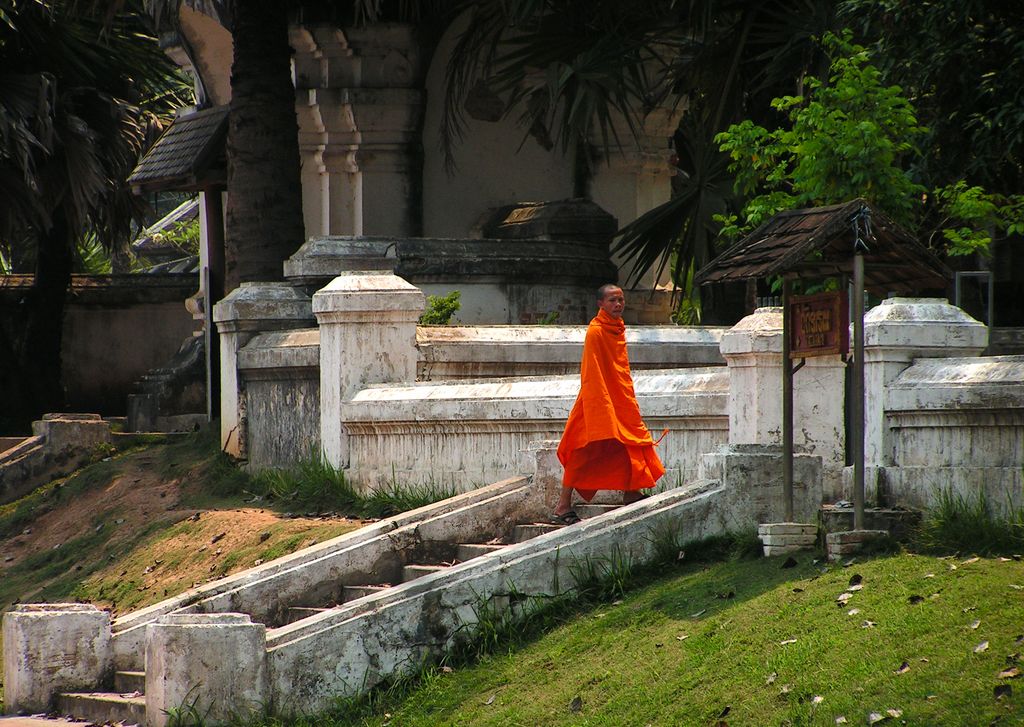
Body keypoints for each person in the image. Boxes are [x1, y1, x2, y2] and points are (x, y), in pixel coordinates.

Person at [553, 284, 665, 524]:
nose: (618, 305)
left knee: (631, 441)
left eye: (621, 300)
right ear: (600, 304)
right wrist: (601, 407)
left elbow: (618, 370)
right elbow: (591, 372)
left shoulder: (617, 328)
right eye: (613, 300)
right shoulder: (596, 331)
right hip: (596, 400)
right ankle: (563, 505)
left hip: (620, 398)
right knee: (581, 449)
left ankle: (631, 492)